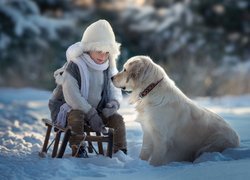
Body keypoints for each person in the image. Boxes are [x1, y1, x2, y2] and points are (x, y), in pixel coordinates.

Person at [50, 19, 127, 157]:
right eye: (98, 51)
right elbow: (72, 96)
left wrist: (113, 104)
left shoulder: (108, 66)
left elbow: (114, 88)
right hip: (71, 108)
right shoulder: (75, 65)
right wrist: (90, 113)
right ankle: (78, 147)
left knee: (117, 119)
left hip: (97, 109)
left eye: (106, 52)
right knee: (76, 116)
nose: (102, 56)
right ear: (88, 48)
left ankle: (120, 151)